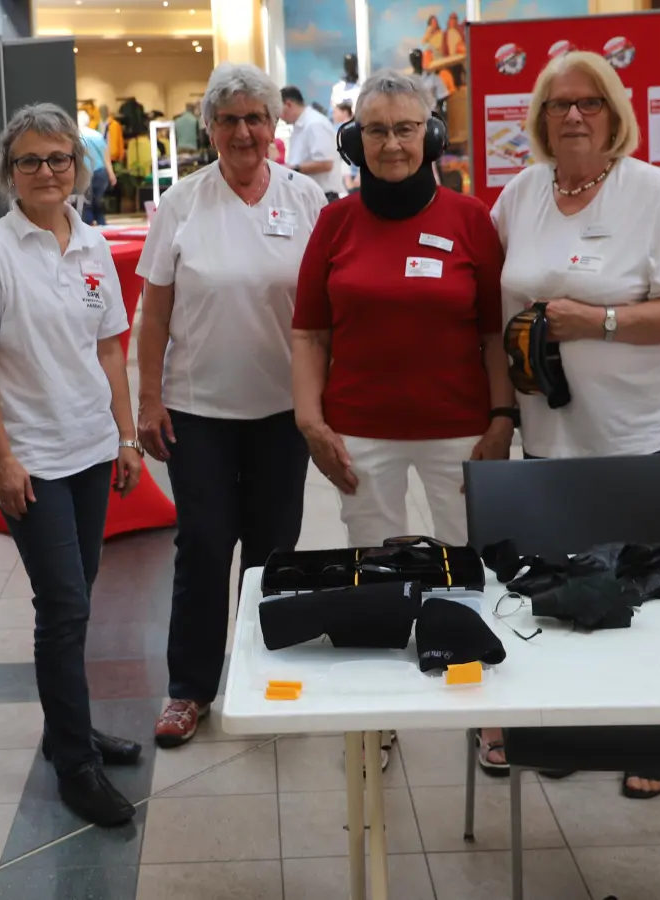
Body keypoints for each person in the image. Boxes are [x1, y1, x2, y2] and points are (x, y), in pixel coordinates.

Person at [483, 51, 660, 799]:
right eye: (559, 105)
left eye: (590, 103)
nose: (574, 116)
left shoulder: (651, 191)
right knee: (561, 588)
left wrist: (600, 320)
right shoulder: (521, 194)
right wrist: (500, 412)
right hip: (548, 436)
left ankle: (652, 739)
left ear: (614, 114)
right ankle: (567, 727)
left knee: (643, 592)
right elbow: (494, 309)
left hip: (637, 434)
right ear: (540, 119)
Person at [0, 103, 145, 827]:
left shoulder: (91, 243)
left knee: (78, 598)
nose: (46, 171)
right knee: (63, 605)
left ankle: (71, 727)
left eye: (59, 158)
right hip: (31, 458)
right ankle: (74, 762)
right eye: (30, 160)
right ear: (8, 171)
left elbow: (110, 348)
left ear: (79, 166)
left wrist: (126, 437)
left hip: (91, 449)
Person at [138, 63, 327, 750]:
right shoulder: (183, 202)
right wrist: (149, 397)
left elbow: (328, 310)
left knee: (274, 551)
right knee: (204, 546)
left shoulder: (307, 198)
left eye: (255, 118)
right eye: (229, 120)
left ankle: (267, 676)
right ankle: (189, 688)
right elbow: (154, 311)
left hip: (284, 411)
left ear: (275, 125)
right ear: (209, 129)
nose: (243, 131)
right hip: (198, 413)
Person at [292, 70, 510, 573]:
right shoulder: (334, 222)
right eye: (376, 130)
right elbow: (309, 334)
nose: (391, 144)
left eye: (405, 129)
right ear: (354, 141)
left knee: (471, 566)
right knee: (376, 573)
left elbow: (494, 333)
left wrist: (503, 419)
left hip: (462, 429)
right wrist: (310, 424)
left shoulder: (471, 218)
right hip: (359, 433)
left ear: (430, 135)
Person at [280, 86, 346, 202]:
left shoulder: (314, 123)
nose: (279, 117)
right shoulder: (300, 125)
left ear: (288, 104)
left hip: (323, 196)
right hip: (308, 196)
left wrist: (293, 169)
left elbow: (326, 164)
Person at [78, 109, 116, 226]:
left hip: (84, 173)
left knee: (86, 203)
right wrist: (111, 174)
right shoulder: (97, 135)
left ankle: (88, 225)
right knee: (98, 201)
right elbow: (106, 157)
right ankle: (102, 225)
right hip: (100, 172)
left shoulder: (75, 136)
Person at [331, 101, 360, 194]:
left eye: (335, 112)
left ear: (344, 112)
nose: (333, 115)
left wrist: (355, 176)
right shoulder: (354, 127)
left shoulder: (344, 130)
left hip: (350, 176)